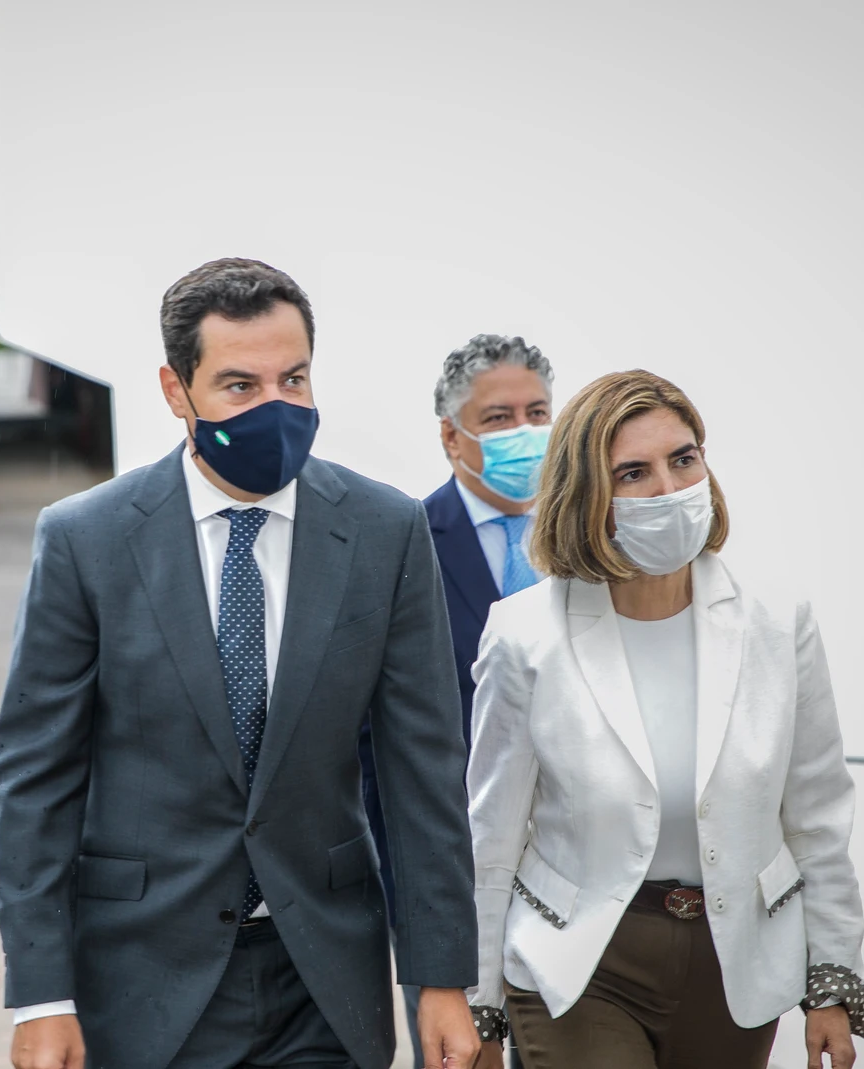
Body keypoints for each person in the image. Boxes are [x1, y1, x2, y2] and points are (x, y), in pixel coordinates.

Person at [0, 258, 479, 1069]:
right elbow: (34, 777)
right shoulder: (87, 539)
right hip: (142, 980)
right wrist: (43, 995)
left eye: (293, 378)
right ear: (176, 391)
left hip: (324, 978)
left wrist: (441, 978)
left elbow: (422, 770)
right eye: (239, 386)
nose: (275, 407)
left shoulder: (385, 530)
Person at [466, 370, 864, 1069]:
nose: (669, 488)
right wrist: (478, 998)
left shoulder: (776, 619)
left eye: (683, 459)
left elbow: (816, 812)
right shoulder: (525, 632)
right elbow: (492, 829)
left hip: (734, 959)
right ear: (588, 494)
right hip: (580, 958)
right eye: (633, 472)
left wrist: (832, 975)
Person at [359, 333, 553, 1067]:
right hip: (450, 869)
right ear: (452, 434)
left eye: (537, 411)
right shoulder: (401, 542)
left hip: (578, 865)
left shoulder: (591, 544)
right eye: (499, 418)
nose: (523, 432)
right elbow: (374, 735)